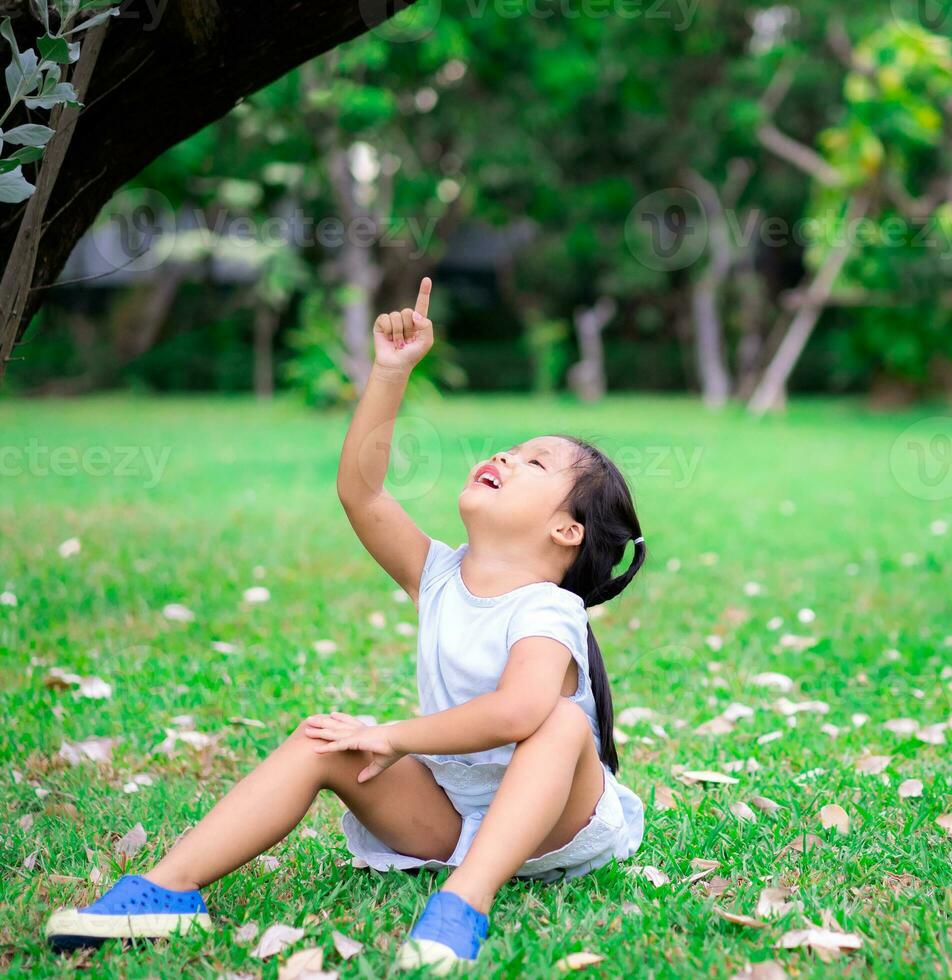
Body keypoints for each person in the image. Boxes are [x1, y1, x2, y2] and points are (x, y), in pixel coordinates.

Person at [46, 278, 648, 974]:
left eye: (535, 462)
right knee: (323, 739)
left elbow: (516, 712)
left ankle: (464, 904)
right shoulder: (440, 576)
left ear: (566, 530)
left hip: (551, 828)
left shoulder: (550, 610)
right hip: (450, 816)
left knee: (561, 724)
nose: (506, 456)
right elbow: (361, 492)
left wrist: (391, 735)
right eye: (511, 449)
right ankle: (166, 892)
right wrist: (390, 373)